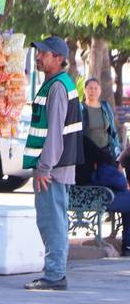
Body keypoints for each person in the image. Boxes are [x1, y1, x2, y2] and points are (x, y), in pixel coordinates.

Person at [23, 36, 83, 291]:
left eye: (44, 53)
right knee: (53, 219)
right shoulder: (58, 84)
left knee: (52, 221)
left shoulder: (57, 87)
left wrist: (44, 167)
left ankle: (55, 275)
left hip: (53, 169)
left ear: (58, 59)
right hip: (57, 167)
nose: (38, 57)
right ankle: (54, 273)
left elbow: (55, 132)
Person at [77, 77, 130, 256]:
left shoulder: (105, 108)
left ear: (100, 90)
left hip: (101, 170)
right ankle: (128, 244)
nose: (92, 91)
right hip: (95, 178)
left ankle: (128, 244)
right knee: (126, 193)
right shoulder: (84, 142)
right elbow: (115, 177)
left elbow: (111, 133)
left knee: (125, 193)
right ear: (85, 91)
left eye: (95, 88)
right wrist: (119, 173)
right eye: (89, 88)